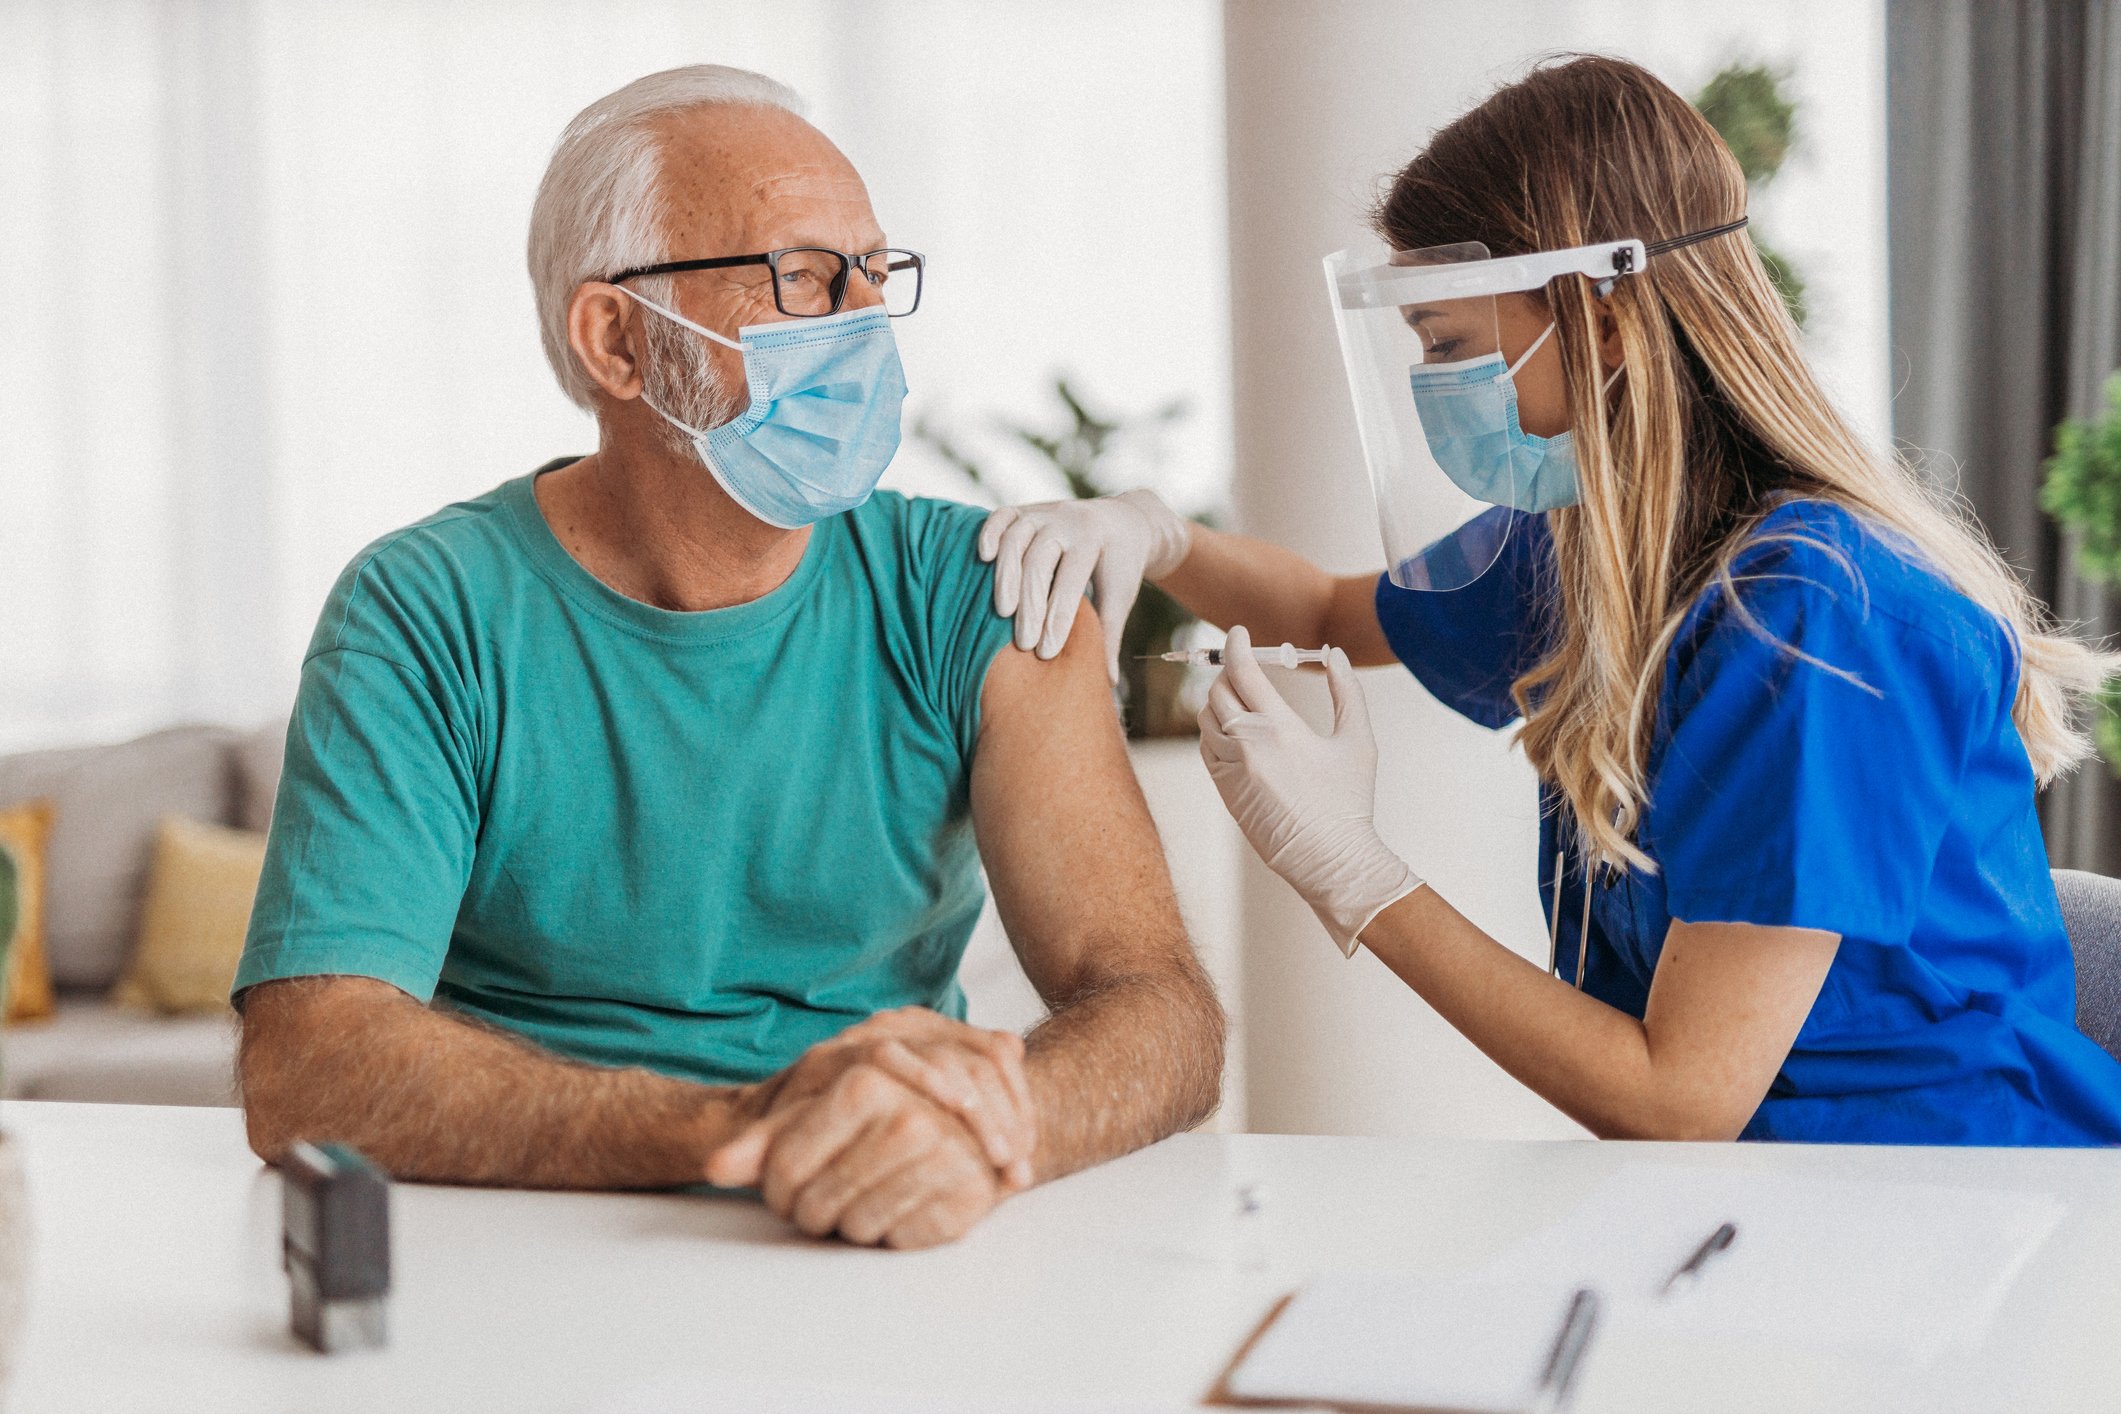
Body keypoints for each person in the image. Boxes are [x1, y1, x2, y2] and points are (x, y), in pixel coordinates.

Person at [980, 55, 2121, 1145]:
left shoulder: (1818, 620)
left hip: (1960, 1204)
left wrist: (1359, 874)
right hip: (1772, 1197)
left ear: (1609, 324)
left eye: (1449, 342)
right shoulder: (1609, 550)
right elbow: (1327, 611)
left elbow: (1680, 1098)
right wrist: (1153, 528)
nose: (1433, 387)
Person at [233, 64, 1224, 1249]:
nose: (860, 326)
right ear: (616, 338)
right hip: (517, 1243)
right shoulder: (423, 611)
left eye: (874, 275)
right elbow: (308, 1064)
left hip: (885, 1234)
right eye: (802, 278)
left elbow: (1161, 1012)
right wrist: (742, 1126)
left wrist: (986, 1126)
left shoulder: (984, 590)